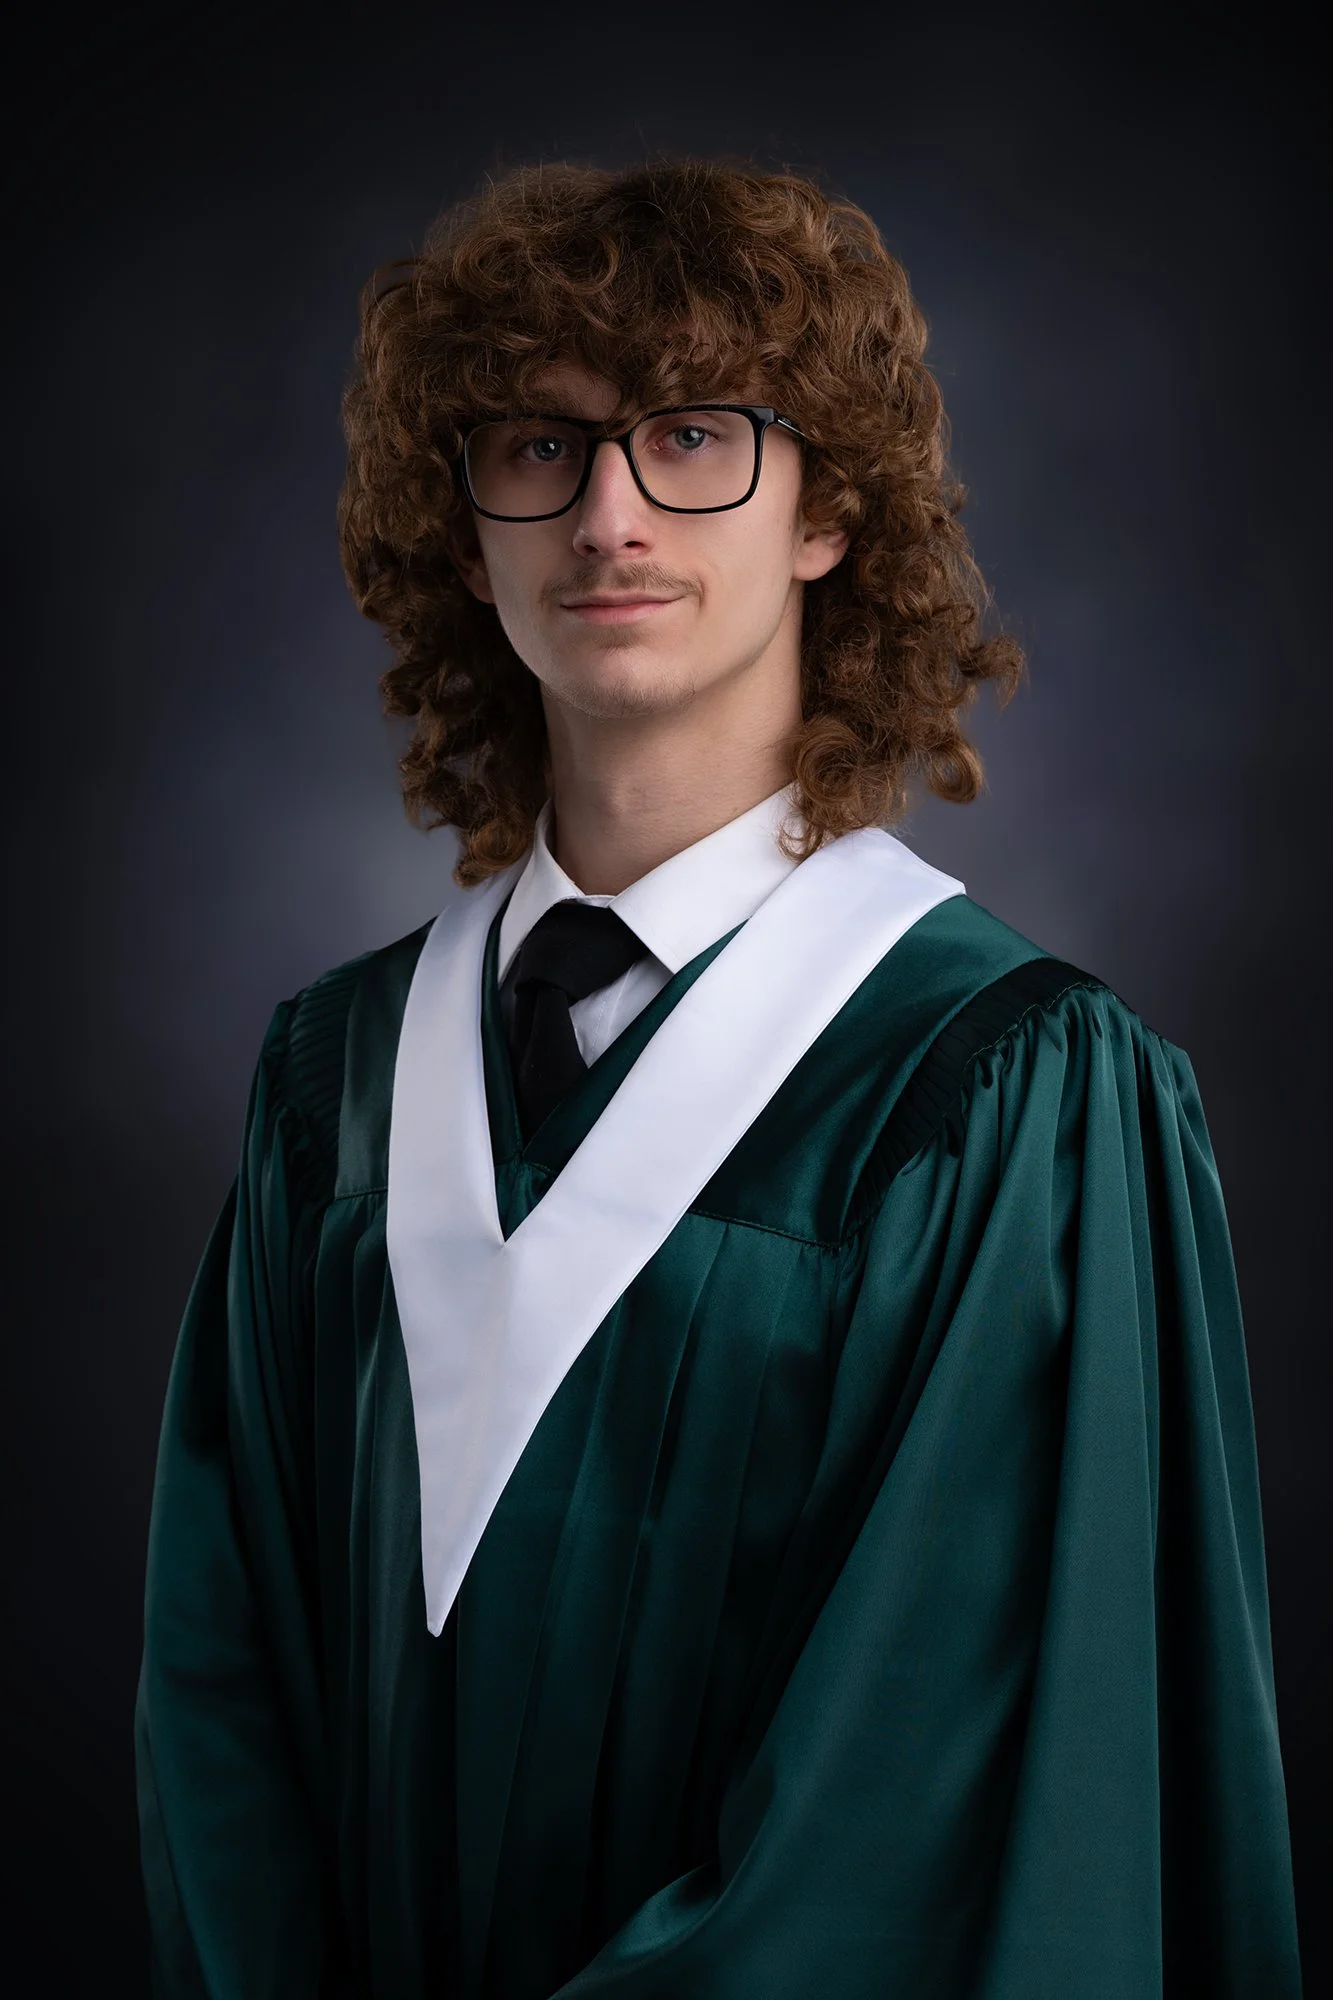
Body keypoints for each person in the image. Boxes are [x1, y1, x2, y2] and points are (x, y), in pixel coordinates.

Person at [134, 156, 1304, 1998]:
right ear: (469, 533)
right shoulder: (334, 1087)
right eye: (540, 447)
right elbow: (218, 1715)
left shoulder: (1007, 1096)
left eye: (694, 438)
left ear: (826, 513)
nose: (609, 515)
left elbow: (925, 1812)